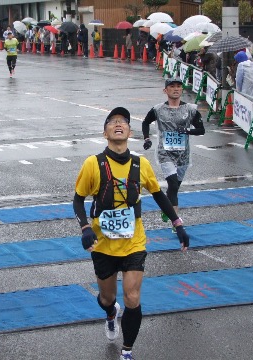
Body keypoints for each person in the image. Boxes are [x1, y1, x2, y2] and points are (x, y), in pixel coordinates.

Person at [73, 106, 190, 360]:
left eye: (123, 122)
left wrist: (177, 224)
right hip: (102, 244)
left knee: (133, 297)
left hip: (134, 242)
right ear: (105, 133)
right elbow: (78, 200)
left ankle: (127, 351)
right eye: (112, 121)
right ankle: (110, 313)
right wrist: (85, 228)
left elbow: (159, 195)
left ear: (129, 131)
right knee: (107, 297)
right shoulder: (93, 164)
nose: (118, 124)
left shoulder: (141, 164)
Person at [142, 78, 205, 220]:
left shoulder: (190, 109)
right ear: (166, 91)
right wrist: (146, 138)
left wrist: (187, 130)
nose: (176, 89)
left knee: (174, 187)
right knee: (172, 184)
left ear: (182, 90)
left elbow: (201, 130)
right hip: (165, 152)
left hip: (184, 154)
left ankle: (166, 208)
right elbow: (145, 122)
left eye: (178, 86)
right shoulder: (158, 109)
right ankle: (176, 221)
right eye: (172, 86)